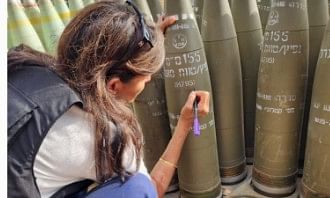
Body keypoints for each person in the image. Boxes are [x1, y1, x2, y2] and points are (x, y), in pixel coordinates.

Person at [7, 1, 210, 198]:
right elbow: (151, 189)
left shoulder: (24, 65)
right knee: (135, 189)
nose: (149, 79)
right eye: (145, 78)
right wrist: (184, 123)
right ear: (113, 85)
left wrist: (149, 44)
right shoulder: (106, 139)